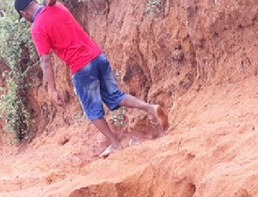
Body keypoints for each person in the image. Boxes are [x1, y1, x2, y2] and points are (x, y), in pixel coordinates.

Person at [14, 0, 169, 157]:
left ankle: (116, 144)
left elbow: (45, 60)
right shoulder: (57, 6)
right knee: (115, 96)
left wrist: (52, 89)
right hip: (97, 56)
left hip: (81, 67)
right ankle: (151, 108)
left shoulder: (37, 28)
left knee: (92, 111)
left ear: (23, 13)